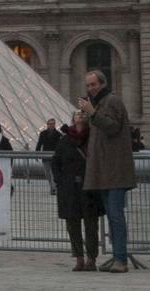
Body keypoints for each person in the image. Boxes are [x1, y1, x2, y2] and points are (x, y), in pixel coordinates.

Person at [77, 69, 137, 273]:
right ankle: (116, 256)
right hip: (104, 170)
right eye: (88, 85)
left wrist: (93, 113)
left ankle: (121, 258)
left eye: (93, 84)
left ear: (103, 84)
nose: (90, 88)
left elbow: (112, 127)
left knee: (116, 215)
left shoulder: (112, 101)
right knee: (112, 216)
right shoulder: (100, 104)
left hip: (115, 170)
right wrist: (83, 120)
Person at [51, 112, 103, 272]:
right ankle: (79, 258)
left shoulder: (94, 138)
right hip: (70, 188)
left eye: (83, 115)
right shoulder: (65, 140)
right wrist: (61, 182)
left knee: (91, 225)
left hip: (89, 187)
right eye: (77, 115)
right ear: (73, 119)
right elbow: (55, 162)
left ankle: (91, 259)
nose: (80, 117)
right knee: (72, 225)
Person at [36, 118, 62, 195]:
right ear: (47, 125)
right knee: (47, 174)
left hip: (54, 157)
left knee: (53, 173)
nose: (51, 125)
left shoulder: (58, 134)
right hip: (45, 156)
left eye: (53, 124)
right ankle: (52, 187)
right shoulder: (43, 133)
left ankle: (54, 188)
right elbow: (39, 143)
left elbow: (60, 146)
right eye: (50, 124)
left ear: (55, 125)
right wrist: (37, 154)